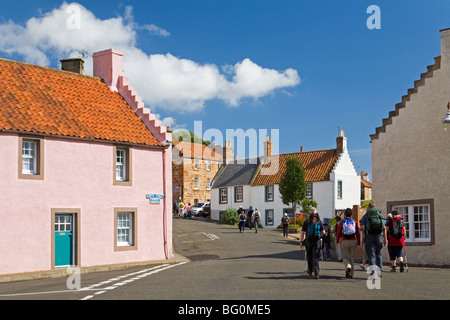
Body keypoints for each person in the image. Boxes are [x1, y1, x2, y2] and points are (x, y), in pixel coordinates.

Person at [362, 202, 387, 276]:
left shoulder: (366, 216)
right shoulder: (380, 215)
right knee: (378, 253)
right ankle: (379, 270)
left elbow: (363, 228)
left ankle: (373, 271)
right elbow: (384, 228)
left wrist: (362, 239)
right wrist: (385, 239)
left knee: (371, 255)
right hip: (378, 236)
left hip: (369, 236)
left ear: (368, 208)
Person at [336, 208, 361, 278]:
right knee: (351, 258)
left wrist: (337, 241)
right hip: (353, 241)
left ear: (345, 214)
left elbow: (338, 233)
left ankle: (348, 266)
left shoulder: (342, 222)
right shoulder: (354, 222)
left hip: (344, 241)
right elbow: (357, 233)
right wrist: (358, 242)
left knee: (345, 257)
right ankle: (351, 274)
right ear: (351, 214)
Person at [300, 208, 324, 279]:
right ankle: (316, 272)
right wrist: (320, 236)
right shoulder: (319, 221)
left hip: (308, 241)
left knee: (309, 255)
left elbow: (302, 233)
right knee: (316, 256)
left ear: (309, 213)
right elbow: (324, 232)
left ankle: (310, 270)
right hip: (317, 241)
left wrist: (301, 242)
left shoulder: (306, 221)